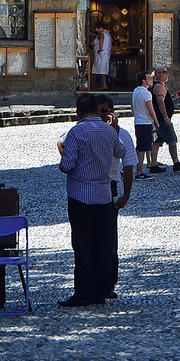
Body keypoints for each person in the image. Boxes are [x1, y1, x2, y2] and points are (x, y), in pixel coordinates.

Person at [57, 93, 135, 307]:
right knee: (101, 244)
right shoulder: (108, 131)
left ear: (79, 111)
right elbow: (120, 151)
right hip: (103, 194)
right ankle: (101, 291)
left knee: (82, 245)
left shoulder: (76, 132)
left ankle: (83, 292)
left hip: (80, 195)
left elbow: (66, 166)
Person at [151, 66, 180, 171]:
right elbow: (160, 102)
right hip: (162, 119)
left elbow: (163, 101)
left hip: (158, 119)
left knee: (157, 141)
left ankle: (153, 164)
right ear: (158, 74)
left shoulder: (158, 86)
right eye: (164, 72)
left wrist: (172, 97)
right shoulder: (159, 87)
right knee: (172, 140)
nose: (167, 74)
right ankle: (176, 163)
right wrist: (166, 117)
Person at [130, 73, 158, 180]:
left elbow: (132, 106)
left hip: (138, 121)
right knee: (143, 148)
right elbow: (151, 110)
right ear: (143, 80)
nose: (151, 79)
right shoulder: (146, 94)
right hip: (145, 122)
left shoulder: (136, 91)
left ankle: (142, 167)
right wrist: (156, 121)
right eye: (149, 78)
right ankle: (139, 171)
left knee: (140, 147)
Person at [90, 25, 112, 91]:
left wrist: (100, 48)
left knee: (101, 70)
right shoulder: (108, 34)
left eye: (97, 28)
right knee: (103, 69)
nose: (96, 30)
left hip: (101, 55)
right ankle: (103, 84)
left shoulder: (102, 34)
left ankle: (104, 85)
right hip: (106, 54)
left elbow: (101, 40)